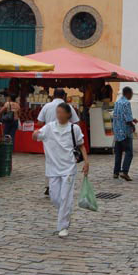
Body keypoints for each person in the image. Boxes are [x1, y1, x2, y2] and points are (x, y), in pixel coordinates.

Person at [33, 102, 89, 238]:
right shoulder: (49, 128)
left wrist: (86, 162)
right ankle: (65, 212)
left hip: (68, 167)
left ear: (68, 114)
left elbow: (81, 146)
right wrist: (35, 134)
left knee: (65, 196)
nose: (58, 115)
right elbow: (37, 136)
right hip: (52, 167)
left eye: (61, 112)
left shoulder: (74, 129)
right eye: (57, 112)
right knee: (55, 197)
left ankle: (63, 226)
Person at [38, 89, 79, 195]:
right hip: (64, 137)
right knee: (64, 160)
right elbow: (76, 122)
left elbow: (39, 122)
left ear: (53, 96)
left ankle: (49, 185)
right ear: (64, 96)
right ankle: (62, 183)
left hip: (49, 138)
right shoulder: (68, 107)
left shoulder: (47, 106)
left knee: (50, 160)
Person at [113, 87, 138, 181]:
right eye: (131, 94)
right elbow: (127, 119)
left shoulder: (117, 102)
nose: (131, 96)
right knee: (129, 152)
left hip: (117, 131)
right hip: (125, 132)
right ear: (128, 93)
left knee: (118, 152)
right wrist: (133, 125)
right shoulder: (126, 103)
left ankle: (116, 172)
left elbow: (117, 116)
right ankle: (125, 171)